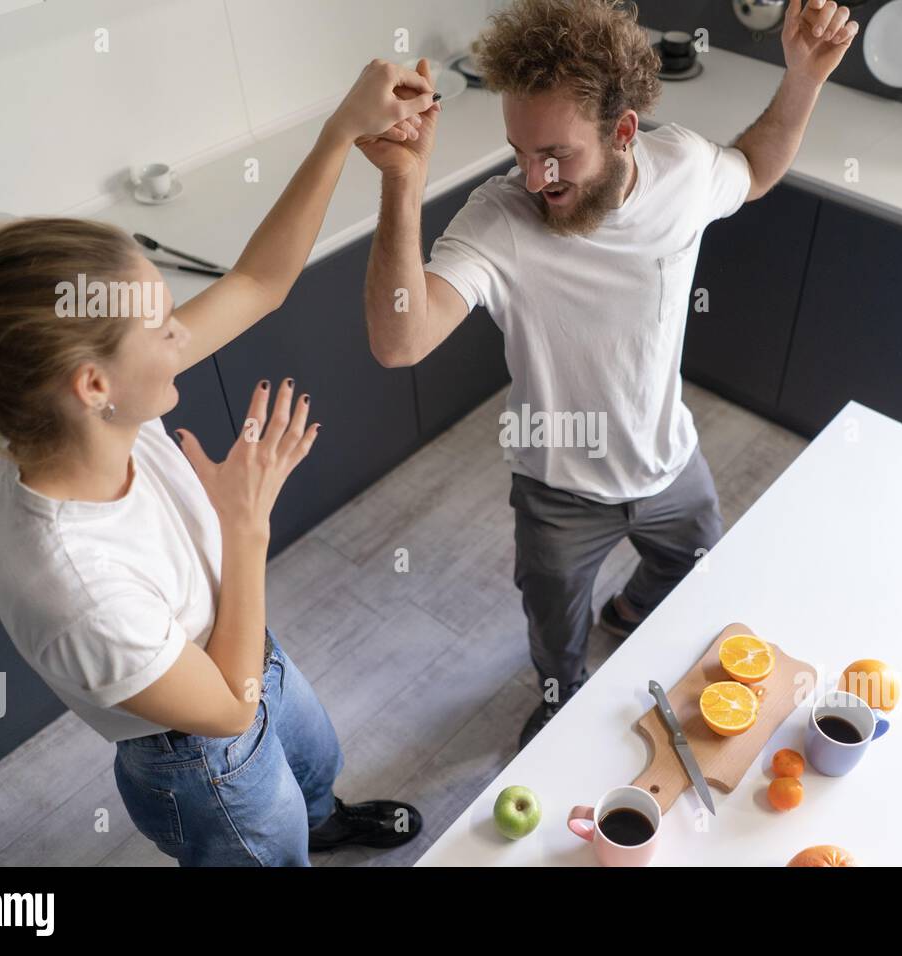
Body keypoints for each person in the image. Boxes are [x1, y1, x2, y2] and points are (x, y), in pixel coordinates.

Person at [0, 60, 438, 865]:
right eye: (162, 330)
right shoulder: (73, 587)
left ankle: (324, 820)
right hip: (203, 756)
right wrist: (244, 523)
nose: (182, 335)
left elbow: (259, 281)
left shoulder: (69, 415)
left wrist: (341, 131)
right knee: (271, 845)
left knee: (313, 770)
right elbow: (225, 710)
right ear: (94, 384)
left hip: (244, 646)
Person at [359, 0, 858, 747]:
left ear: (625, 132)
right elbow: (400, 341)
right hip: (557, 493)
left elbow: (752, 169)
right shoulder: (501, 221)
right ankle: (559, 704)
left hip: (669, 462)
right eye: (519, 152)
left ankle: (626, 614)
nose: (534, 178)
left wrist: (803, 79)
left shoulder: (682, 170)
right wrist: (402, 182)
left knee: (692, 574)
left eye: (554, 154)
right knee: (556, 638)